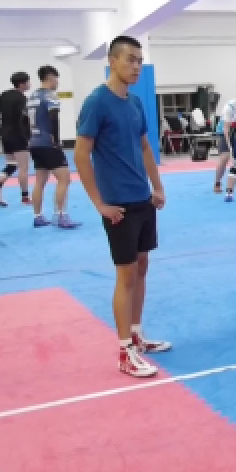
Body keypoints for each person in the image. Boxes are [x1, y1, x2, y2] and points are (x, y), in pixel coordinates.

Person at [75, 35, 171, 377]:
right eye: (130, 59)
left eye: (139, 60)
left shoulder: (135, 103)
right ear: (112, 61)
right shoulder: (96, 102)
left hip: (142, 198)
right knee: (126, 273)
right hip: (117, 204)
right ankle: (124, 350)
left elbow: (144, 146)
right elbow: (81, 154)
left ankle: (136, 333)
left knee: (142, 266)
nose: (136, 66)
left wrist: (157, 186)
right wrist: (99, 203)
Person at [27, 65, 81, 229]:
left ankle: (37, 216)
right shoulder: (50, 96)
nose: (57, 82)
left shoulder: (32, 97)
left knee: (40, 181)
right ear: (51, 78)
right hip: (48, 143)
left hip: (34, 142)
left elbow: (24, 120)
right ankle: (61, 215)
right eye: (56, 79)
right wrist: (56, 140)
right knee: (65, 179)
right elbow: (53, 118)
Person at [0, 71, 32, 207]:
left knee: (11, 164)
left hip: (5, 135)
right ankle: (25, 197)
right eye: (28, 81)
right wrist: (28, 136)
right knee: (24, 167)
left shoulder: (4, 94)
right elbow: (24, 118)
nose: (30, 84)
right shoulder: (22, 98)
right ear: (22, 84)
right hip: (18, 135)